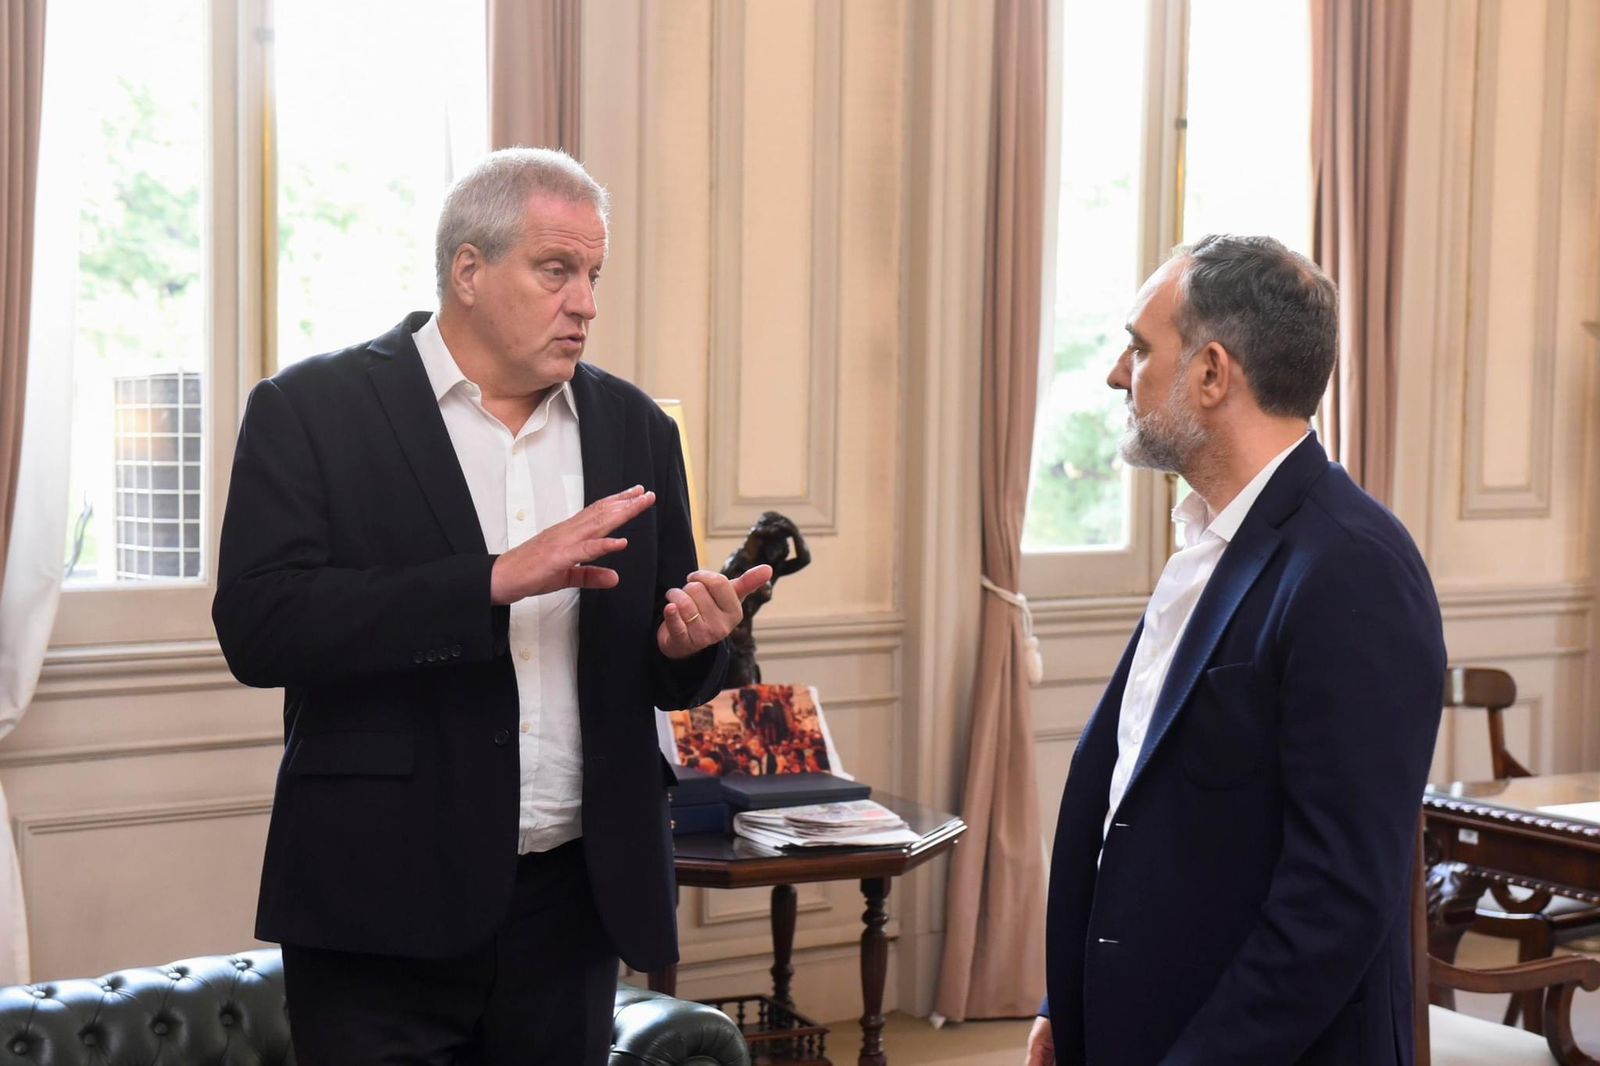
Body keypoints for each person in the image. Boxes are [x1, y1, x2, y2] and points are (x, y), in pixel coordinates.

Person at [212, 147, 772, 1066]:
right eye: (557, 271)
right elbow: (259, 627)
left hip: (574, 903)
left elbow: (662, 663)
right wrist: (490, 580)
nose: (585, 302)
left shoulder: (636, 427)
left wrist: (691, 645)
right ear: (468, 270)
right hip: (379, 903)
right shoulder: (309, 408)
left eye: (594, 275)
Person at [1026, 235, 1445, 1066]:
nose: (1117, 374)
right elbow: (1131, 806)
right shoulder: (1206, 544)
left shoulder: (1354, 566)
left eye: (1141, 348)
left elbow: (1335, 900)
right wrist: (1068, 1005)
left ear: (1213, 373)